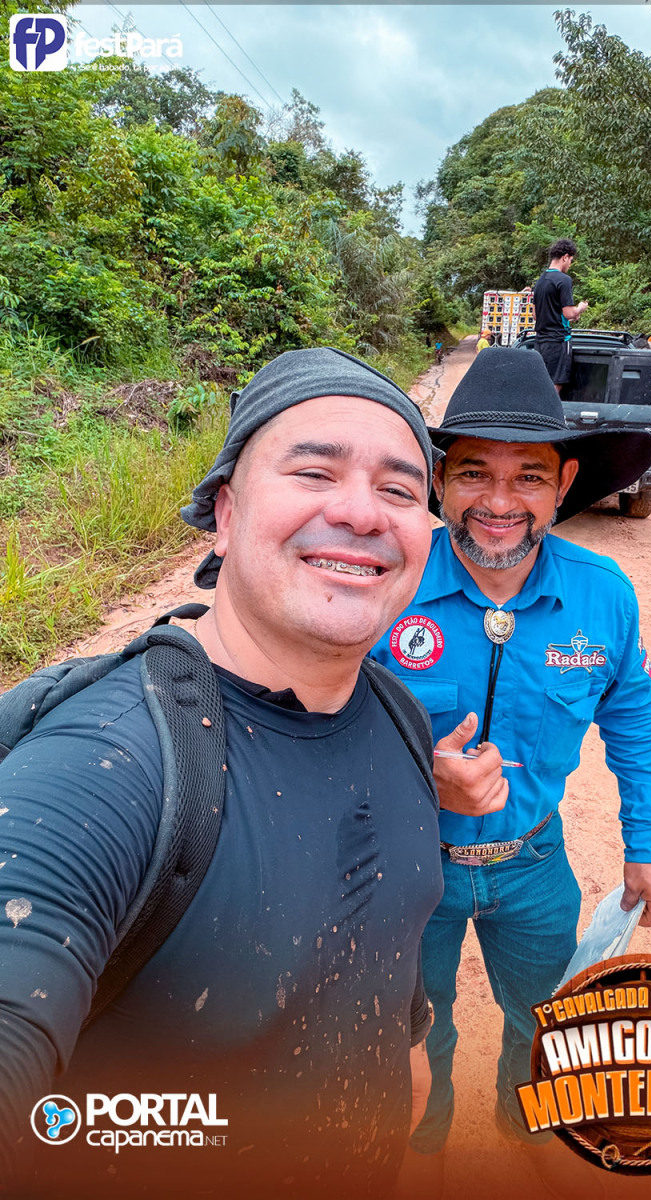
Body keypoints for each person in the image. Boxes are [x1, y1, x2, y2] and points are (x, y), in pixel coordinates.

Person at [0, 348, 445, 1199]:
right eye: (313, 472)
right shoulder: (111, 766)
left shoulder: (398, 714)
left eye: (400, 490)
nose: (361, 512)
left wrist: (407, 1064)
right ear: (226, 513)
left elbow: (387, 950)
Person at [370, 348, 651, 1191]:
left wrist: (649, 842)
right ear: (439, 480)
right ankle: (422, 1145)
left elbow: (632, 714)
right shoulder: (384, 586)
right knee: (410, 1029)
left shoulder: (603, 592)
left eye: (530, 477)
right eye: (475, 472)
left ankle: (527, 1124)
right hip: (405, 867)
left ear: (565, 482)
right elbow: (313, 717)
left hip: (535, 864)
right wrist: (414, 776)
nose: (500, 503)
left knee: (547, 1022)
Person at [531, 238, 589, 393]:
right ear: (565, 257)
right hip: (558, 341)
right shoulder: (564, 280)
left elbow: (536, 315)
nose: (569, 264)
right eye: (570, 261)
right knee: (556, 384)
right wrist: (580, 309)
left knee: (541, 382)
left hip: (540, 341)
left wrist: (568, 317)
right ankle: (548, 409)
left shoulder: (540, 281)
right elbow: (568, 313)